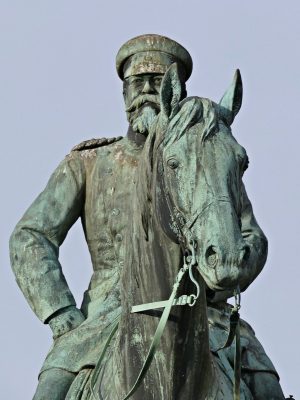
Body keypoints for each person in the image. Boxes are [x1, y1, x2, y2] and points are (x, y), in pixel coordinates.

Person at [10, 34, 285, 399]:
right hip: (107, 315)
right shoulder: (89, 163)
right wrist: (59, 310)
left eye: (158, 83)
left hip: (203, 312)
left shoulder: (205, 162)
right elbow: (31, 235)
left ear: (176, 93)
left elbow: (250, 236)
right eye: (137, 83)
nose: (147, 92)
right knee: (52, 386)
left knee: (264, 383)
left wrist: (223, 273)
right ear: (124, 94)